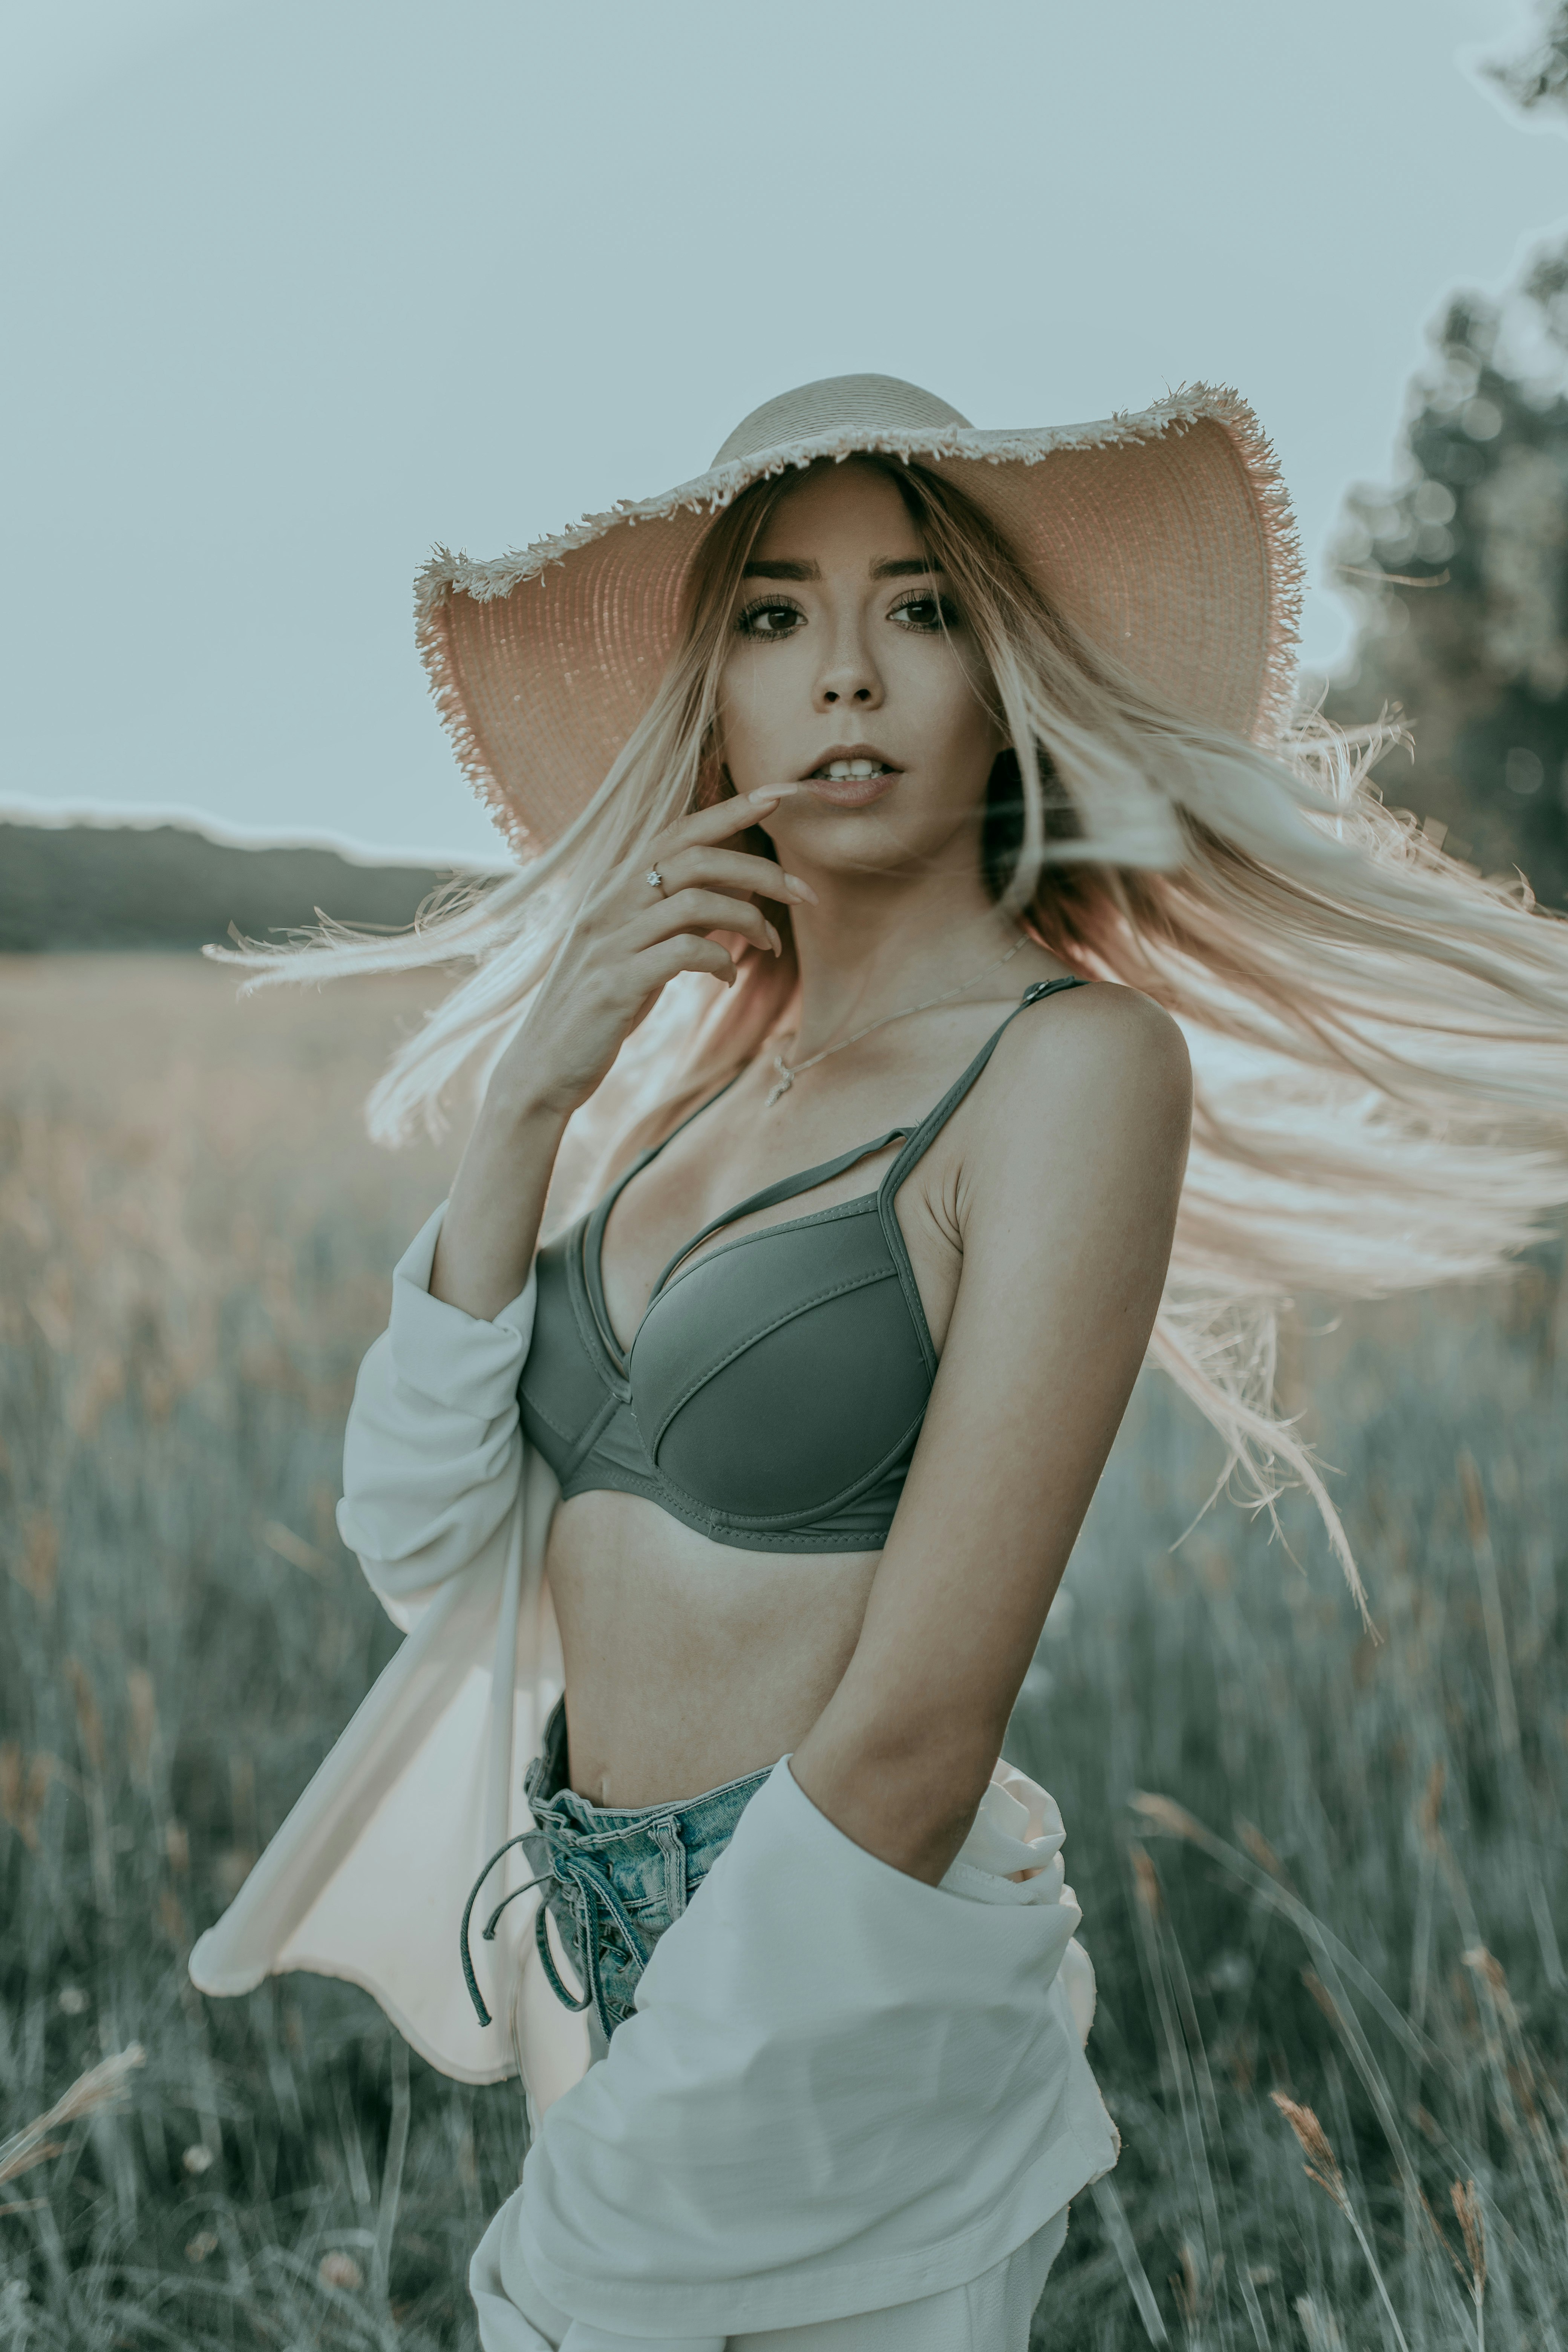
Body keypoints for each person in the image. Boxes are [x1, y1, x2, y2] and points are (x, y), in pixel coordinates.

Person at [190, 375, 1568, 2348]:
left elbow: (920, 1734)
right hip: (604, 1984)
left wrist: (612, 2198)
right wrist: (525, 1114)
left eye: (917, 610)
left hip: (848, 2009)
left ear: (1003, 675)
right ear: (715, 690)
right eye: (774, 615)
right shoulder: (685, 1093)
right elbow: (428, 1544)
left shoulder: (1069, 1070)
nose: (844, 677)